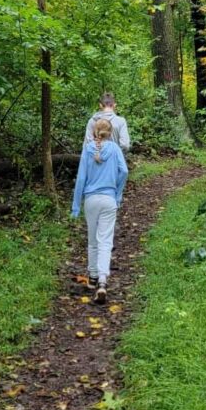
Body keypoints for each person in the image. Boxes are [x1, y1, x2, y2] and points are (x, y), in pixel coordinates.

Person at [71, 118, 128, 305]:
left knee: (92, 239)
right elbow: (124, 171)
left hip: (91, 200)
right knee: (105, 240)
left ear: (95, 132)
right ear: (110, 133)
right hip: (109, 199)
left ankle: (93, 277)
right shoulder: (115, 149)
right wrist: (117, 193)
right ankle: (103, 281)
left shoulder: (88, 150)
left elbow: (81, 179)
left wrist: (76, 206)